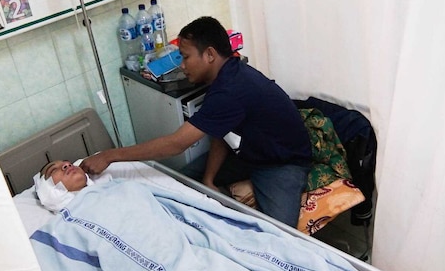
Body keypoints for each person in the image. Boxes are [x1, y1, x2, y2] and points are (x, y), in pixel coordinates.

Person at [81, 16, 311, 227]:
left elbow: (175, 144)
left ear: (210, 54)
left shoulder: (231, 90)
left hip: (282, 162)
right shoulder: (227, 74)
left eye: (186, 57)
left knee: (280, 232)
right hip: (251, 152)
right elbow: (218, 130)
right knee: (181, 181)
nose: (182, 65)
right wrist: (208, 181)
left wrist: (110, 155)